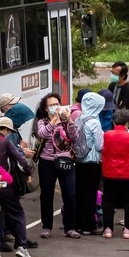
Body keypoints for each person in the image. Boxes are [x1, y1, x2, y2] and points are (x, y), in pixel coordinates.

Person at [0, 118, 37, 257]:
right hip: (4, 184)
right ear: (5, 130)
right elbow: (22, 160)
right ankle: (22, 247)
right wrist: (28, 173)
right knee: (17, 214)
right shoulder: (5, 142)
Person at [35, 92, 79, 239]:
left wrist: (70, 122)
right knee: (47, 195)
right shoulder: (42, 121)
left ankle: (70, 227)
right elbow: (43, 134)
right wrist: (54, 120)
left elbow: (75, 137)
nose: (55, 107)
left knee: (70, 194)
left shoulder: (66, 120)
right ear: (46, 109)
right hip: (47, 162)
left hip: (65, 160)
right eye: (51, 105)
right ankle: (47, 227)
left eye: (56, 104)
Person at [100, 109, 129, 239]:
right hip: (128, 173)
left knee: (108, 200)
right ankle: (128, 229)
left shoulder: (107, 135)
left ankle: (107, 229)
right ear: (128, 123)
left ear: (113, 121)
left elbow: (103, 149)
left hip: (110, 172)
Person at [74, 91, 105, 235]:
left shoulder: (79, 118)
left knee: (80, 192)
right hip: (92, 161)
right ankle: (89, 225)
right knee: (90, 194)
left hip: (79, 160)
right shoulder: (94, 122)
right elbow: (100, 145)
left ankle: (78, 224)